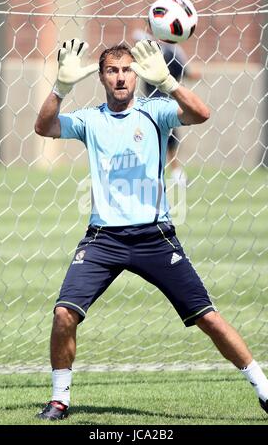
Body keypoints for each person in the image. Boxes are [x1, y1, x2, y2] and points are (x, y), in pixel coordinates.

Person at [35, 38, 268, 420]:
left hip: (154, 236)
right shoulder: (90, 119)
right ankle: (60, 399)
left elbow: (203, 113)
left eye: (127, 69)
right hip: (103, 239)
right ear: (102, 77)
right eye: (112, 70)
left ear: (137, 73)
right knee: (63, 314)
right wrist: (60, 88)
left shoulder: (156, 110)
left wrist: (169, 83)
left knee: (208, 317)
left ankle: (263, 387)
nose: (121, 77)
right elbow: (44, 126)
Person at [133, 29, 201, 187]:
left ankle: (175, 175)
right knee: (163, 142)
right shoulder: (171, 51)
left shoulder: (161, 51)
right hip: (164, 105)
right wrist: (196, 75)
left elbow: (136, 35)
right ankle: (174, 175)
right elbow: (186, 72)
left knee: (162, 141)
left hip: (152, 104)